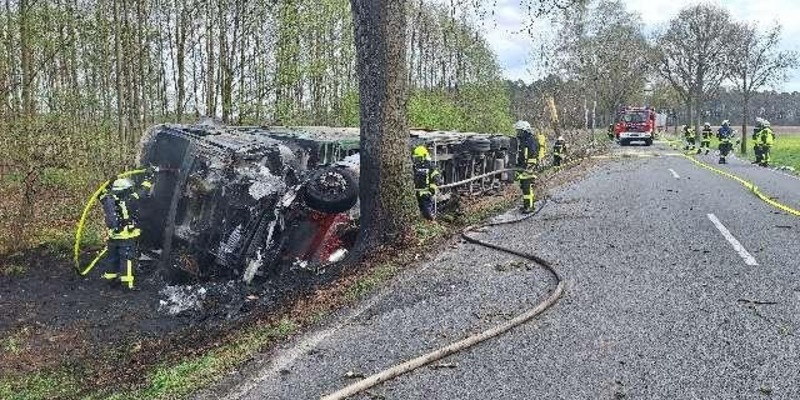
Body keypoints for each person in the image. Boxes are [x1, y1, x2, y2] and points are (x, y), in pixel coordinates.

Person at [98, 169, 155, 289]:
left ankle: (110, 278)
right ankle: (127, 284)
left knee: (112, 258)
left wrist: (109, 184)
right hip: (126, 237)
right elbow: (142, 192)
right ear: (125, 190)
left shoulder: (108, 200)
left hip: (113, 236)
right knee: (127, 259)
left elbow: (100, 194)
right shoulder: (129, 200)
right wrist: (149, 179)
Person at [412, 145, 443, 220]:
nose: (417, 160)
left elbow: (436, 178)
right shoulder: (414, 167)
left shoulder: (430, 166)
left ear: (423, 156)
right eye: (415, 158)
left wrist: (432, 188)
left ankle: (431, 221)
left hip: (425, 193)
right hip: (416, 193)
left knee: (427, 212)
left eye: (418, 158)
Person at [514, 120, 538, 213]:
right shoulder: (522, 140)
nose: (518, 133)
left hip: (528, 168)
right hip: (523, 166)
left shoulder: (530, 140)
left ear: (525, 131)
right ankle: (526, 205)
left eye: (519, 131)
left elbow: (532, 155)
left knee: (527, 187)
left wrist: (528, 169)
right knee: (524, 187)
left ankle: (530, 207)